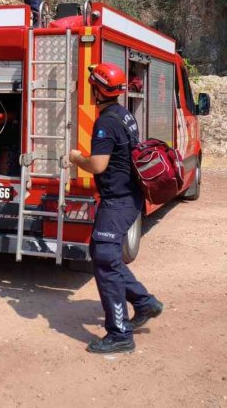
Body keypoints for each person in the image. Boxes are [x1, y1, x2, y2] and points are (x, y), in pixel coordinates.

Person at [68, 62, 164, 354]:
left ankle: (120, 334)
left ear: (97, 90)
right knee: (104, 255)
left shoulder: (106, 122)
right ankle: (145, 303)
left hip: (117, 200)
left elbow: (98, 165)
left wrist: (76, 157)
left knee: (106, 260)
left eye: (91, 86)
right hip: (127, 197)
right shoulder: (124, 114)